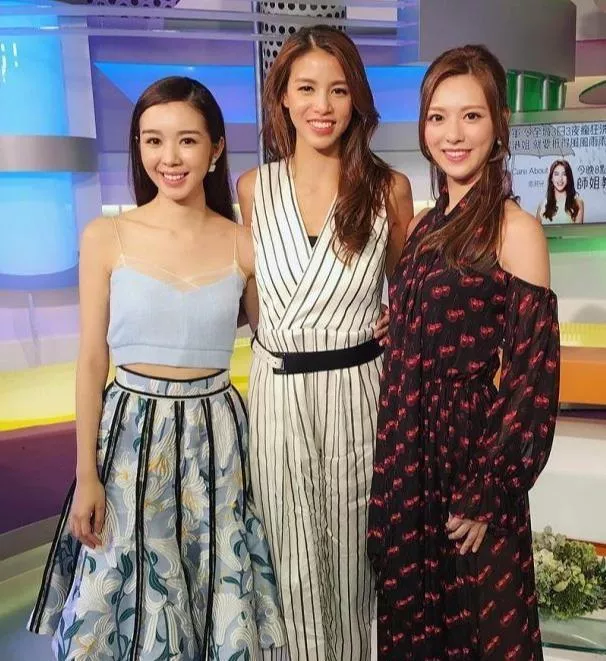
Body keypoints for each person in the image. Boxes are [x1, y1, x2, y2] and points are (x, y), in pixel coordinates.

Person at [27, 76, 286, 660]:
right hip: (128, 440)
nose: (169, 157)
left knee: (215, 595)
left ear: (216, 148)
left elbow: (280, 337)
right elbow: (91, 361)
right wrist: (86, 476)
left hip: (218, 441)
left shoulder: (245, 243)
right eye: (153, 140)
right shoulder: (106, 236)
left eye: (187, 140)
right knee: (125, 608)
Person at [367, 45, 560, 660]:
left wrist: (489, 488)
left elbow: (533, 377)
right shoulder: (425, 226)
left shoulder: (515, 229)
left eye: (471, 116)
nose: (453, 134)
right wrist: (399, 327)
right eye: (438, 117)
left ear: (498, 124)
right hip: (410, 449)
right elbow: (432, 322)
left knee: (483, 626)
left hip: (471, 454)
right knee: (418, 625)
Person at [237, 24, 413, 661]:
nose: (322, 105)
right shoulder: (253, 188)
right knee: (287, 557)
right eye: (307, 88)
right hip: (278, 396)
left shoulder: (389, 188)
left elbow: (410, 293)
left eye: (338, 90)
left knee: (359, 559)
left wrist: (398, 320)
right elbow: (255, 300)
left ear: (356, 99)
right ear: (282, 96)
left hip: (362, 394)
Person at [536, 159, 584, 224]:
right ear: (551, 178)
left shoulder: (577, 203)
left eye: (564, 174)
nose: (560, 178)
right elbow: (536, 230)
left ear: (568, 178)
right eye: (556, 174)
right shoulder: (542, 205)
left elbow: (578, 230)